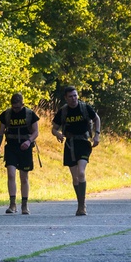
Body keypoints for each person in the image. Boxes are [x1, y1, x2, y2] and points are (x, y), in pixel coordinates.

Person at [51, 86, 101, 216]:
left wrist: (97, 134)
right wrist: (58, 134)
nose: (74, 99)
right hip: (70, 145)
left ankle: (82, 205)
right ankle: (79, 204)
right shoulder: (63, 111)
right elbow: (54, 128)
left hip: (84, 142)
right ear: (66, 98)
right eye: (71, 96)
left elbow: (97, 119)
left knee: (81, 172)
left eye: (75, 96)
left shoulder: (85, 108)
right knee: (75, 177)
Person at [0, 93, 39, 215]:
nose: (16, 109)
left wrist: (29, 141)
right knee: (11, 174)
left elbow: (36, 132)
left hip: (25, 147)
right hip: (11, 147)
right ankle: (12, 204)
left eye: (18, 107)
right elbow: (0, 132)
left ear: (22, 104)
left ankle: (24, 205)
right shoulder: (6, 114)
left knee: (24, 177)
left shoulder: (30, 114)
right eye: (14, 107)